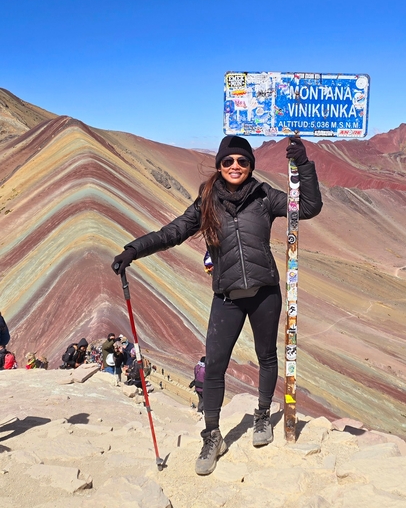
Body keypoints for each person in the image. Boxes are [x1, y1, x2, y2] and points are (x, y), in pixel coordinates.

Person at [112, 135, 322, 476]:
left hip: (265, 292)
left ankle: (262, 417)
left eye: (242, 161)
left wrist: (302, 165)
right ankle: (212, 436)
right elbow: (173, 232)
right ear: (219, 165)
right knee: (215, 366)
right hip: (227, 297)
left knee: (267, 357)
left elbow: (308, 207)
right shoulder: (206, 202)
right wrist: (134, 249)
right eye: (228, 161)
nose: (235, 167)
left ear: (251, 164)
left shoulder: (264, 195)